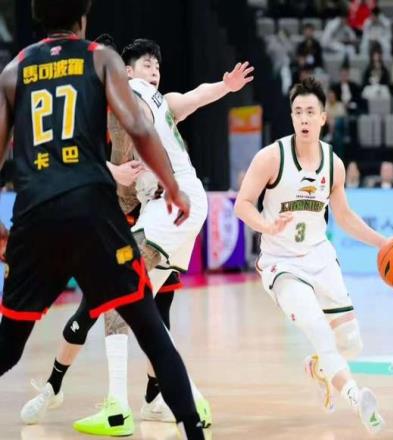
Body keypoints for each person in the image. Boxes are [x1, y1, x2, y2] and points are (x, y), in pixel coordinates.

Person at [19, 36, 253, 436]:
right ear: (128, 69)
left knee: (118, 297)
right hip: (176, 207)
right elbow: (196, 97)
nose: (155, 71)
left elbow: (106, 151)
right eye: (148, 64)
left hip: (168, 205)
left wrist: (112, 171)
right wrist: (224, 87)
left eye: (157, 66)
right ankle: (186, 399)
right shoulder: (156, 102)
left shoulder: (131, 96)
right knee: (141, 312)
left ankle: (117, 409)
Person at [0, 1, 206, 439]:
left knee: (8, 347)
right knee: (151, 330)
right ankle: (191, 428)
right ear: (84, 17)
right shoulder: (100, 58)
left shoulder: (13, 71)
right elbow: (140, 128)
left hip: (35, 214)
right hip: (91, 210)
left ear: (36, 16)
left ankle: (82, 394)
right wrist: (172, 186)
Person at [234, 77, 387, 435]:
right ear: (292, 117)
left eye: (310, 112)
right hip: (281, 263)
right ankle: (356, 397)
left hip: (320, 258)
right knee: (317, 327)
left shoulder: (333, 164)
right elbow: (242, 204)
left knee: (351, 342)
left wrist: (383, 243)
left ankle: (319, 368)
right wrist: (266, 226)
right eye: (298, 111)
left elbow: (344, 216)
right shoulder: (271, 157)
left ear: (323, 117)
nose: (304, 118)